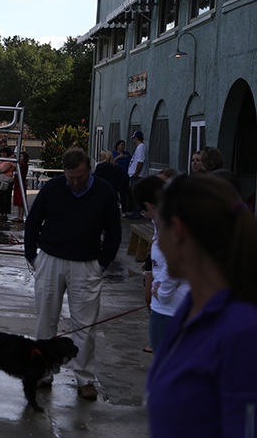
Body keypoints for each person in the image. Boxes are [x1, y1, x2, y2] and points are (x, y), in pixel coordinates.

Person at [128, 174, 257, 438]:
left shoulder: (242, 333)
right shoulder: (188, 311)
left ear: (178, 232)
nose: (156, 242)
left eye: (159, 231)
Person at [24, 148, 122, 401]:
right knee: (46, 321)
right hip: (50, 260)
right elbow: (33, 220)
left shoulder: (104, 191)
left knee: (85, 326)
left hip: (87, 263)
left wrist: (102, 263)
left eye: (80, 177)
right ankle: (44, 373)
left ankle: (85, 380)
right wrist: (32, 256)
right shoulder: (53, 187)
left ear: (89, 169)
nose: (75, 182)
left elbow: (113, 230)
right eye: (71, 178)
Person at [132, 176, 190, 353]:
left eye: (144, 212)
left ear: (149, 206)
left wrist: (163, 292)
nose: (146, 216)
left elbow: (178, 260)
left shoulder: (171, 225)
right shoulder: (174, 220)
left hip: (169, 310)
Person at [125, 131, 149, 218]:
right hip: (136, 175)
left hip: (138, 176)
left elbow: (140, 161)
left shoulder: (141, 147)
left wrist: (136, 173)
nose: (133, 140)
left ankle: (137, 212)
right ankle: (135, 211)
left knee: (137, 194)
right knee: (135, 194)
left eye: (134, 138)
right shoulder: (140, 147)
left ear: (136, 138)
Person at [0, 146, 15, 221]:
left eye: (4, 152)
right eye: (1, 152)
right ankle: (1, 213)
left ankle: (5, 213)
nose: (2, 154)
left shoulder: (9, 161)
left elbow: (4, 169)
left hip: (6, 180)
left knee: (6, 197)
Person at [112, 140, 132, 211]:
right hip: (115, 175)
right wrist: (118, 157)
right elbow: (110, 161)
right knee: (114, 190)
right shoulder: (113, 153)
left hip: (124, 175)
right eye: (121, 145)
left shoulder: (127, 154)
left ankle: (124, 209)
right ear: (118, 146)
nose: (123, 147)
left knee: (123, 192)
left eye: (124, 145)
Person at [12, 151, 30, 223]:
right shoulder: (19, 164)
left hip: (21, 184)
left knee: (21, 202)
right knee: (18, 202)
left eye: (21, 156)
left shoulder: (24, 164)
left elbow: (15, 165)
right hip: (16, 184)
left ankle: (21, 216)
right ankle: (19, 215)